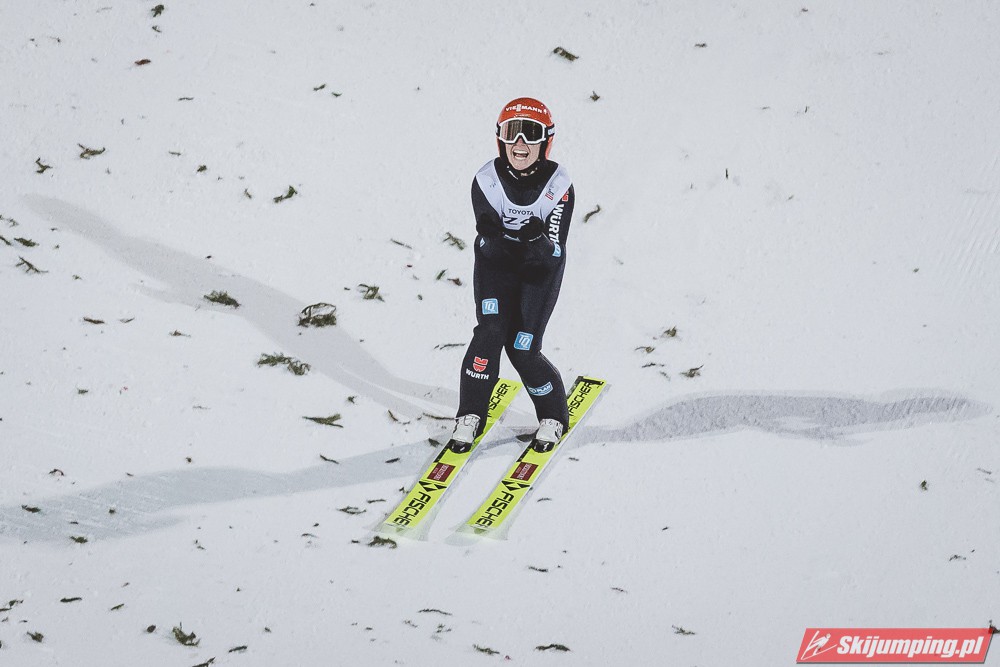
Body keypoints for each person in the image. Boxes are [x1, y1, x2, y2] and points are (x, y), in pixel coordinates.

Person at [448, 97, 575, 454]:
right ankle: (470, 414)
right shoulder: (487, 179)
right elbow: (489, 242)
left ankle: (553, 416)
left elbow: (554, 253)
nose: (520, 143)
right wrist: (501, 238)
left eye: (530, 133)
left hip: (538, 273)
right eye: (511, 133)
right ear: (500, 138)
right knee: (489, 333)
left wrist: (535, 241)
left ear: (545, 141)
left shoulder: (559, 185)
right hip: (497, 267)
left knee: (523, 349)